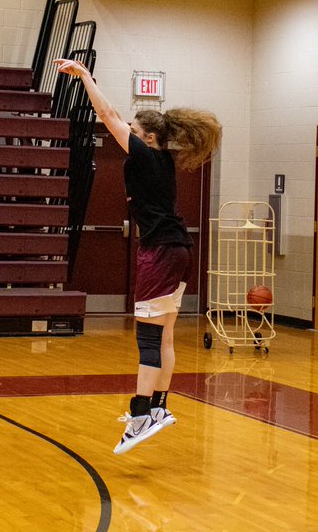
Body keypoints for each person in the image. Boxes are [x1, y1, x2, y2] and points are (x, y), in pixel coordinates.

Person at [54, 58, 221, 455]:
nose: (125, 132)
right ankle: (159, 406)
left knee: (148, 338)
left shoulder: (145, 155)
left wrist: (85, 77)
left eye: (132, 130)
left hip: (160, 253)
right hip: (178, 250)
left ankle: (141, 414)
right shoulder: (162, 160)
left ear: (147, 136)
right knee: (164, 336)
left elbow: (107, 114)